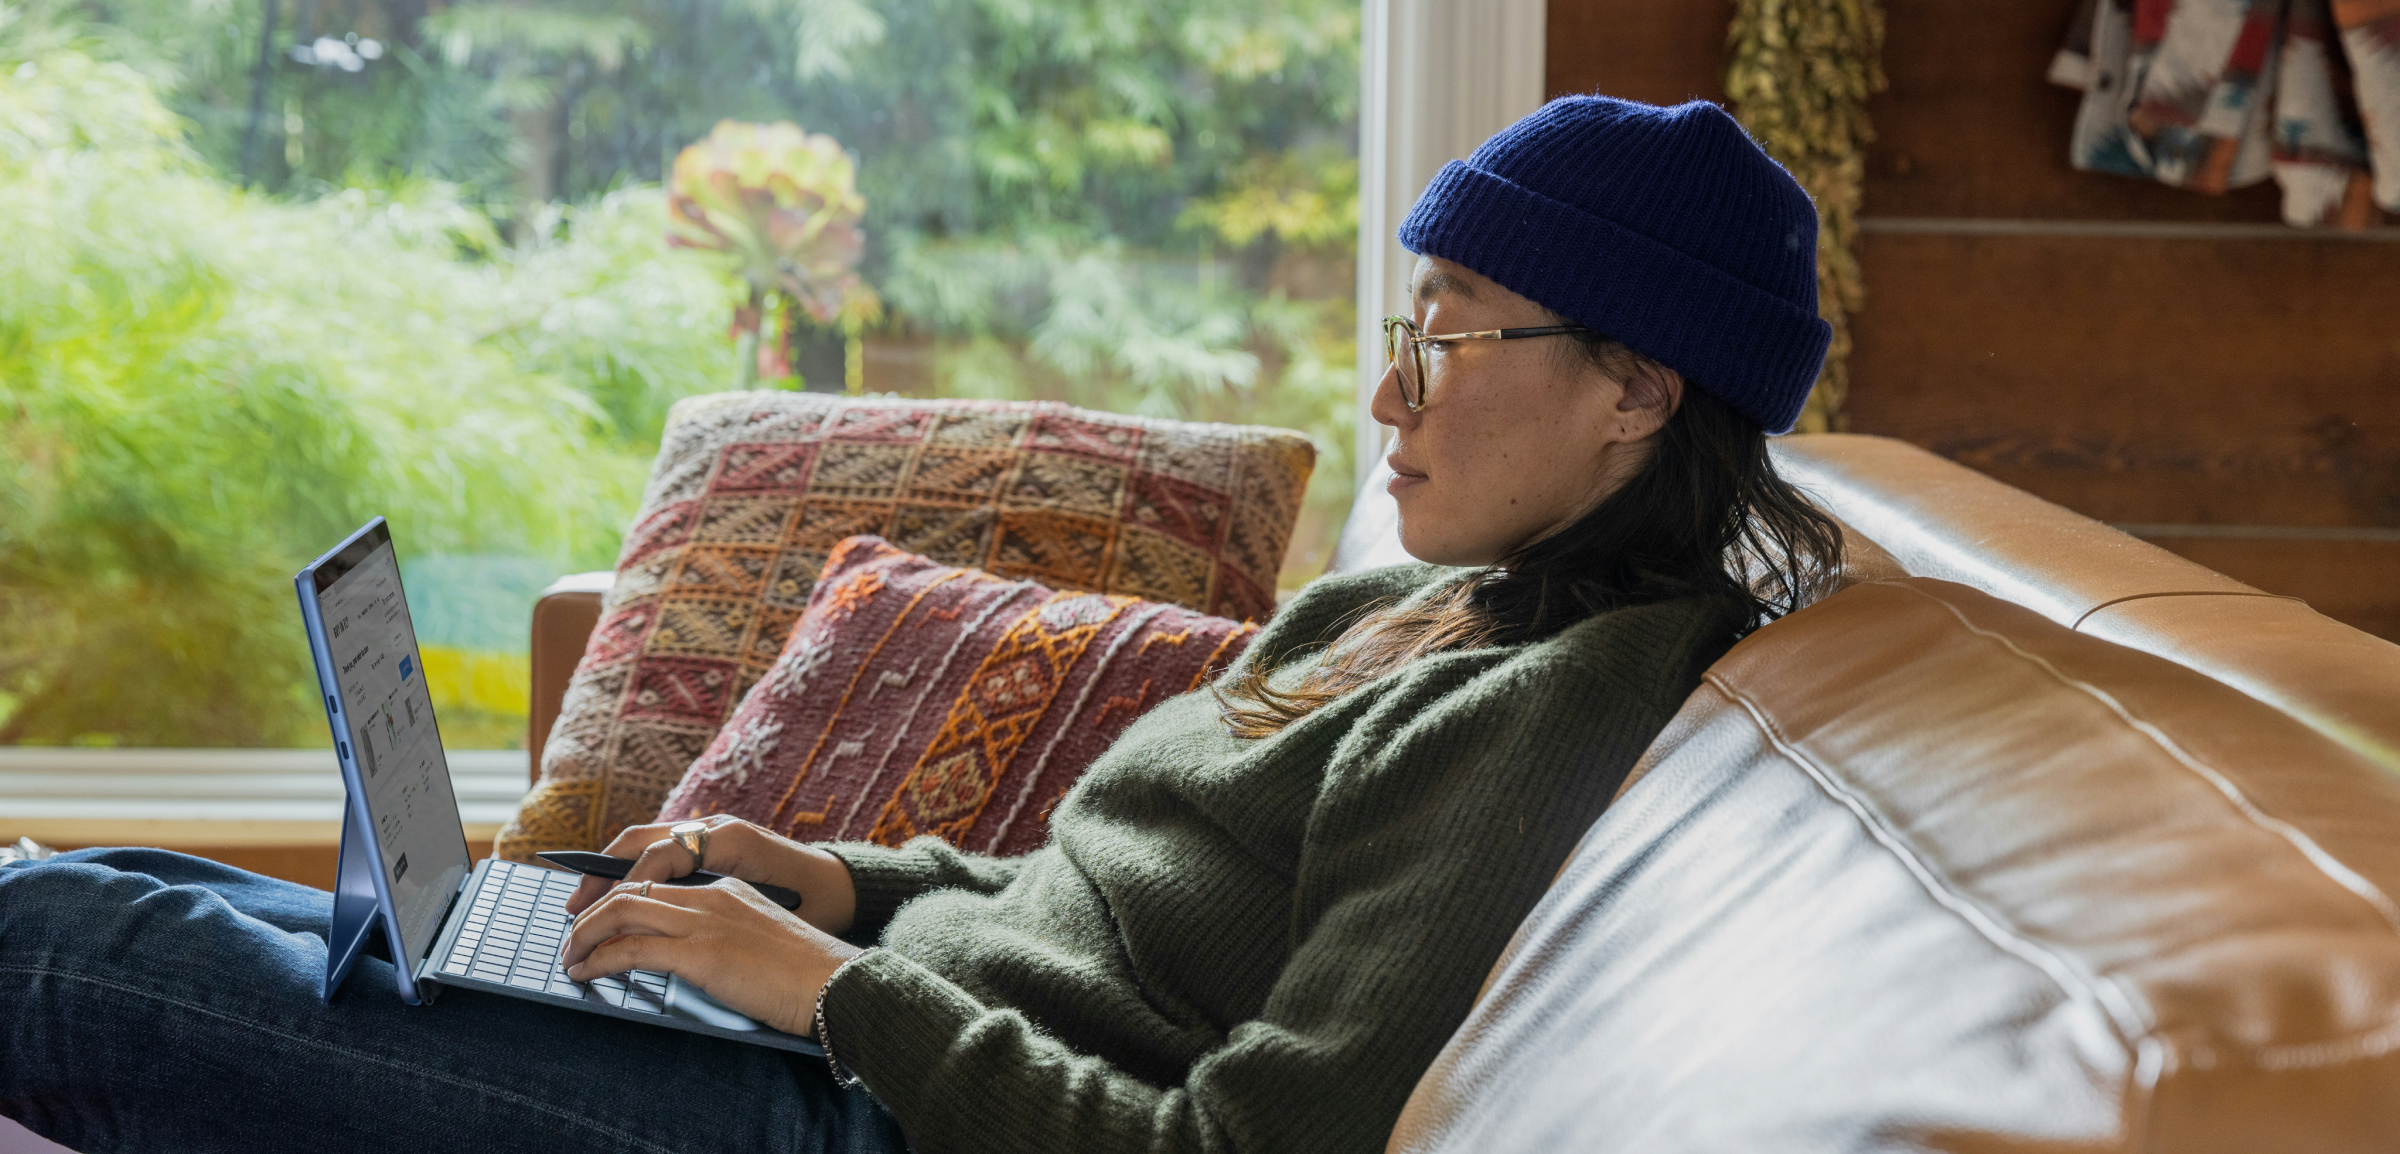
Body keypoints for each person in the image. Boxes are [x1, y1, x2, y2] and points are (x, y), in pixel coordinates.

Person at [0, 95, 1845, 1154]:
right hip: (866, 1032)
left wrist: (837, 993)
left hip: (880, 1121)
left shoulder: (1559, 704)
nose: (1391, 394)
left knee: (67, 946)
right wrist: (834, 882)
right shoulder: (1418, 601)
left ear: (1636, 390)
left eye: (1448, 334)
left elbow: (1241, 1147)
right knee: (188, 891)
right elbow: (1097, 913)